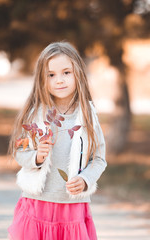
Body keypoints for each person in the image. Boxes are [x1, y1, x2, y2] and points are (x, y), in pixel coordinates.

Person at [7, 41, 107, 240]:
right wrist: (37, 156)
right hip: (37, 203)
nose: (59, 80)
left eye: (66, 73)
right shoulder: (34, 115)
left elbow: (98, 159)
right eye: (51, 75)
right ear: (41, 79)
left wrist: (86, 179)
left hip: (72, 208)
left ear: (78, 73)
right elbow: (19, 151)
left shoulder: (87, 117)